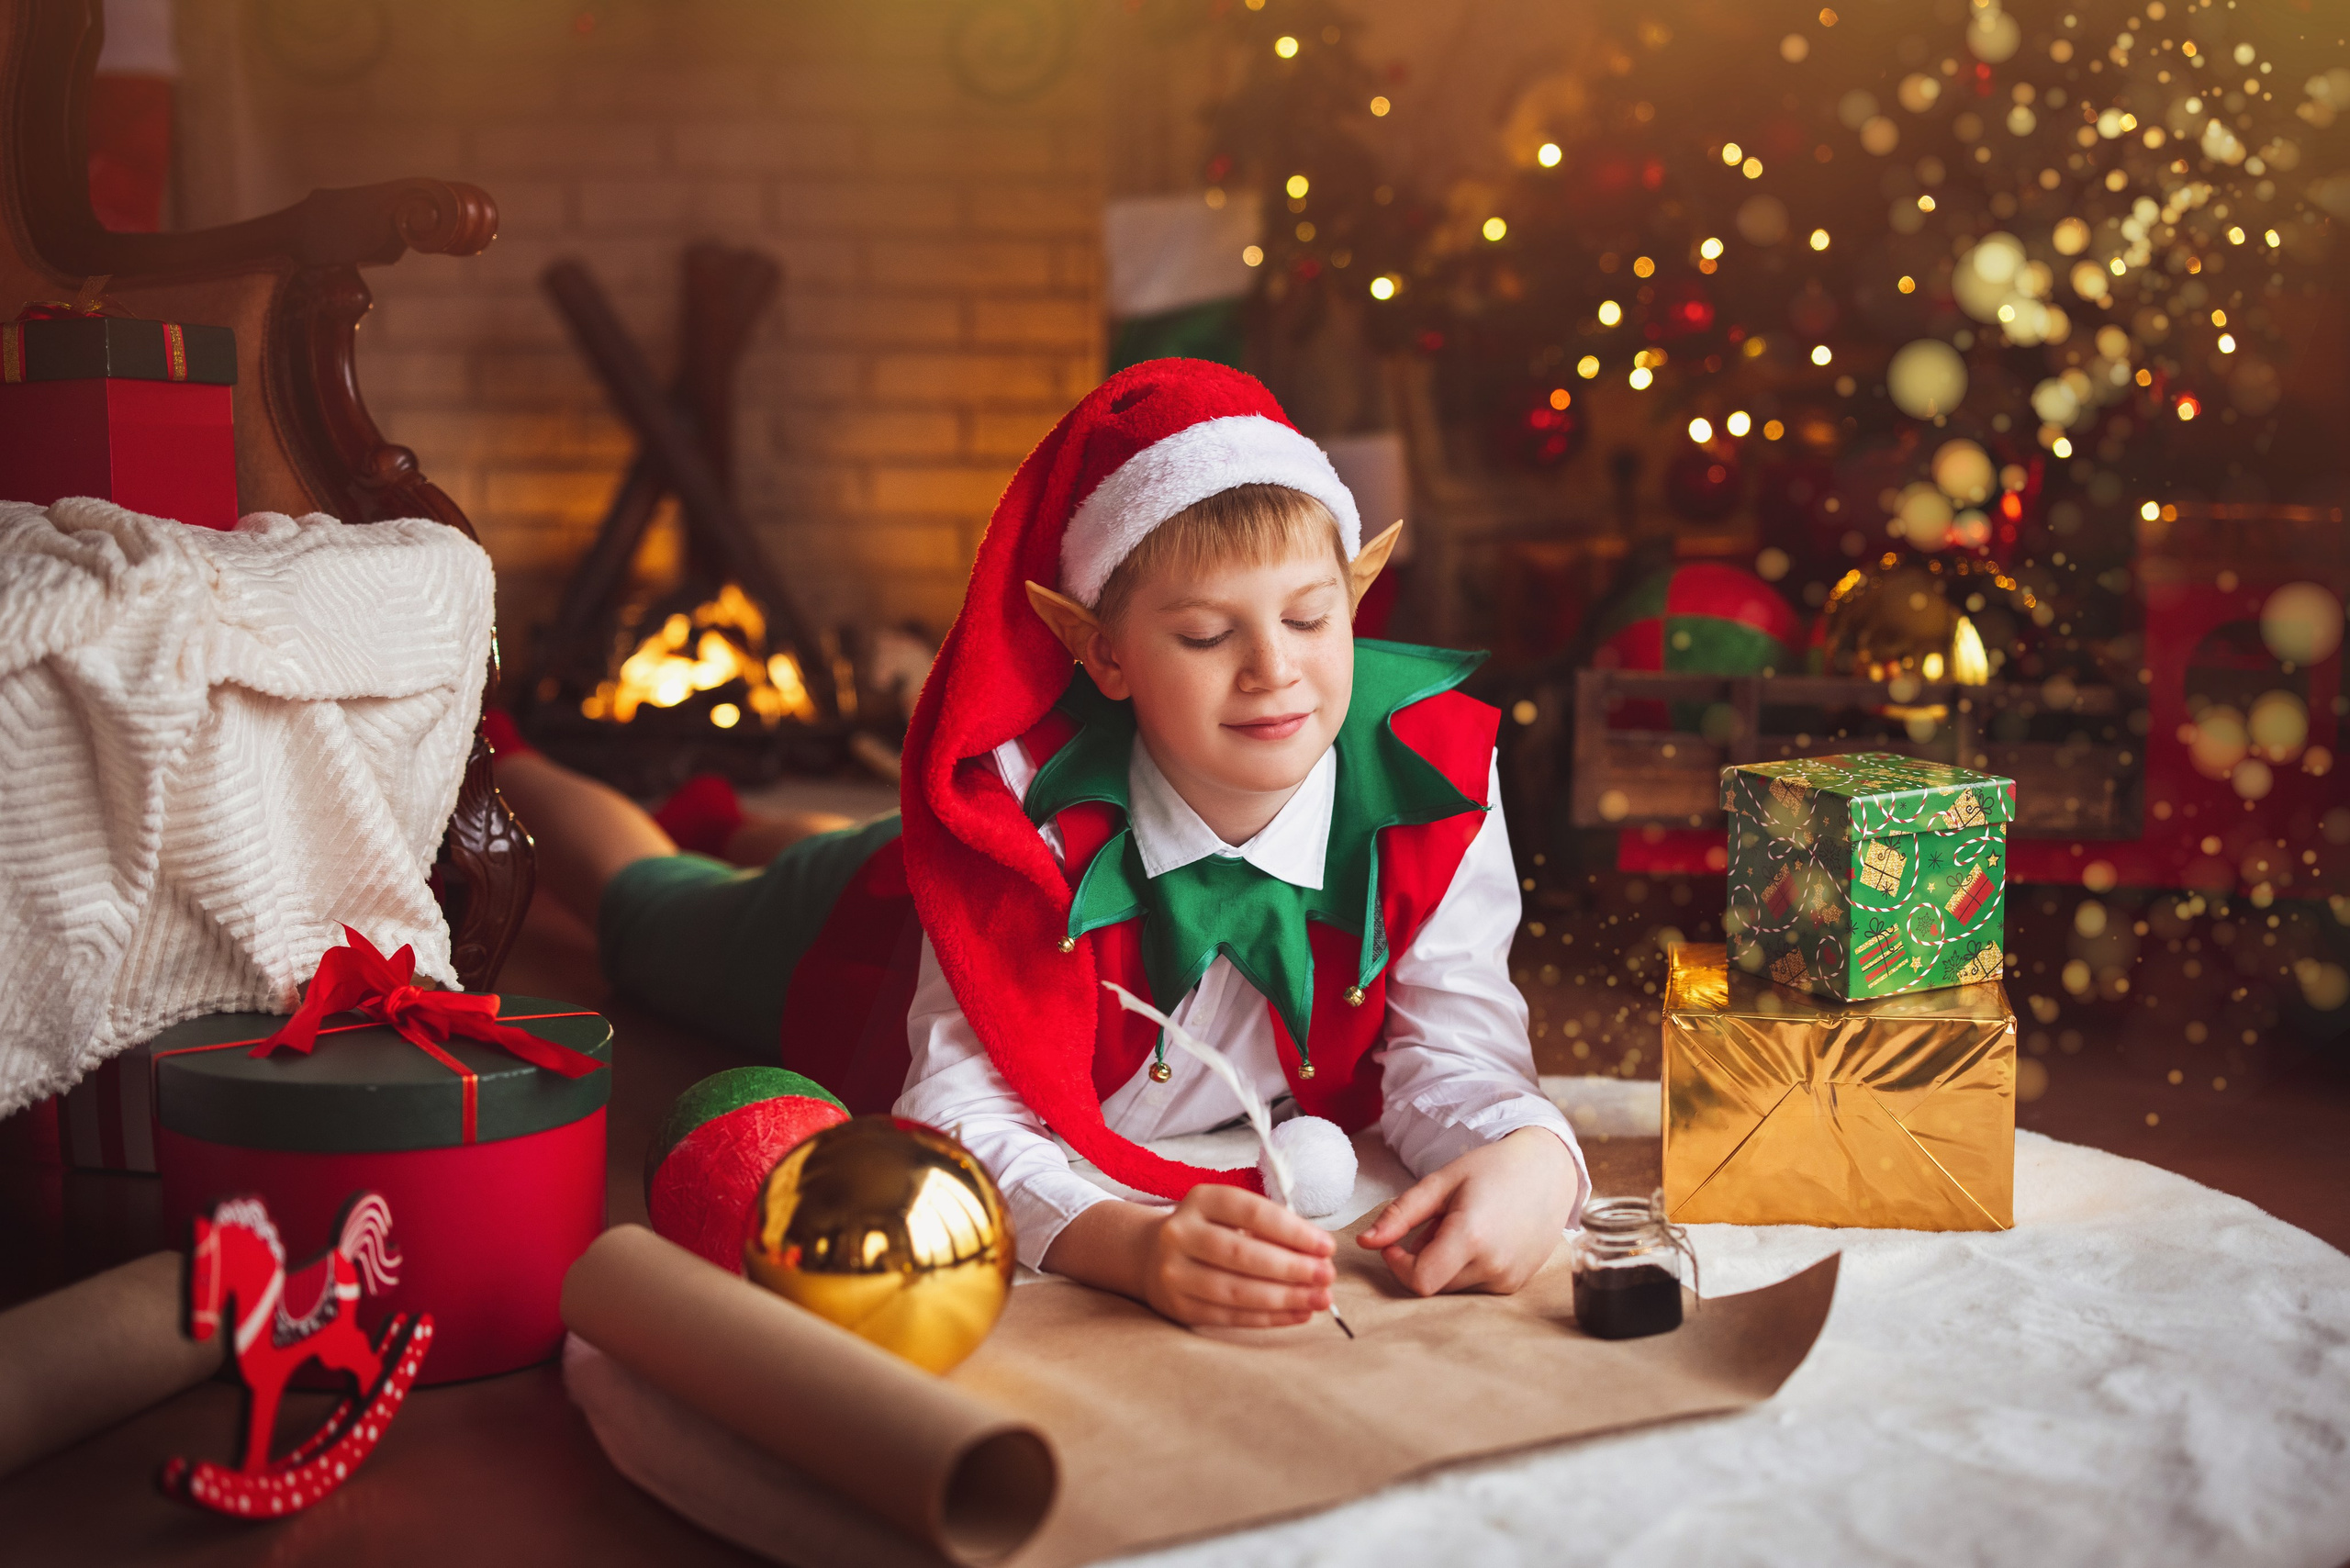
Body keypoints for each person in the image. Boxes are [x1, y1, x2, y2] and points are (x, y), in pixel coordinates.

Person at [493, 360, 1588, 1330]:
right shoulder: (1015, 812)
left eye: (1309, 617)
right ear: (1103, 655)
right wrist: (1128, 1246)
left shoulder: (1430, 784)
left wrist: (1535, 1158)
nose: (1274, 669)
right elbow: (960, 1111)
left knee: (807, 840)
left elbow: (1454, 1052)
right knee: (651, 907)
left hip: (906, 856)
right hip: (872, 926)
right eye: (1208, 633)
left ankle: (737, 813)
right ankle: (506, 755)